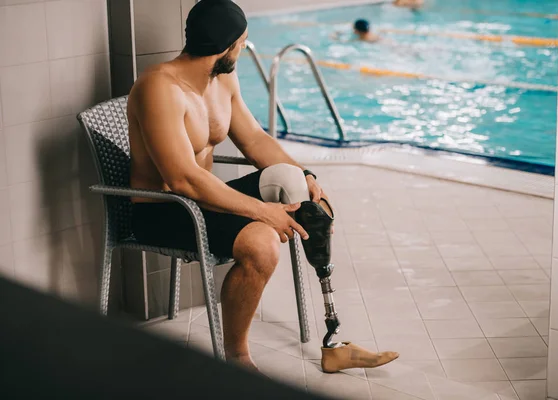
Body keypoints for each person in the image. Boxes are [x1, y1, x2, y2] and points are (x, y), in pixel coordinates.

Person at [127, 0, 398, 374]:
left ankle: (334, 340)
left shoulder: (221, 79)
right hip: (163, 210)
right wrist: (260, 211)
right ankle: (236, 359)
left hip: (203, 201)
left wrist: (306, 176)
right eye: (242, 42)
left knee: (292, 182)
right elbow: (182, 179)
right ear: (226, 45)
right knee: (262, 242)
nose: (243, 48)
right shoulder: (158, 88)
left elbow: (253, 139)